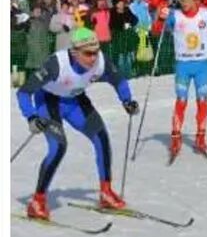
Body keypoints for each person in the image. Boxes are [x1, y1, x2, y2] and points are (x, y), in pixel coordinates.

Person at [16, 27, 138, 219]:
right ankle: (37, 200)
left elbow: (118, 80)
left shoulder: (101, 62)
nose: (93, 58)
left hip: (75, 102)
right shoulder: (56, 64)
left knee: (101, 137)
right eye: (88, 54)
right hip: (49, 102)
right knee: (59, 147)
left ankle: (106, 192)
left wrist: (127, 100)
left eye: (96, 52)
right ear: (74, 52)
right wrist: (31, 116)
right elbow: (24, 92)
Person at [151, 0, 207, 156]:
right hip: (183, 65)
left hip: (202, 65)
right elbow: (156, 32)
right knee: (181, 101)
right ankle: (175, 136)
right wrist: (160, 18)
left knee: (202, 101)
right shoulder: (175, 15)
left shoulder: (205, 14)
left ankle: (200, 136)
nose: (183, 2)